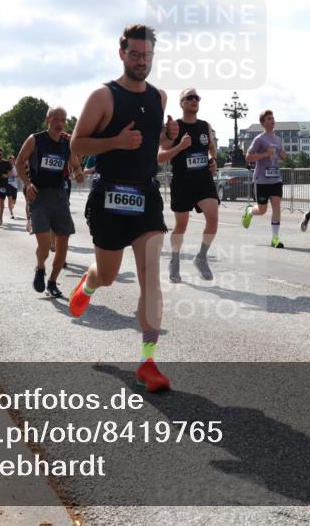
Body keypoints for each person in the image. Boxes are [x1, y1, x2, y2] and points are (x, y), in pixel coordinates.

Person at [69, 24, 178, 393]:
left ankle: (148, 361)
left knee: (151, 277)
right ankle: (89, 282)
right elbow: (77, 143)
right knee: (109, 274)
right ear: (121, 54)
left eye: (147, 55)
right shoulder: (103, 96)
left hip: (146, 196)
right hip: (110, 197)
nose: (141, 61)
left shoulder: (160, 97)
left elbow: (151, 140)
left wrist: (169, 136)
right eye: (134, 54)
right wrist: (115, 141)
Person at [17, 106, 84, 298]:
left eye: (63, 119)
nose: (59, 123)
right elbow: (20, 162)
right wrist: (28, 183)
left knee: (63, 244)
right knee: (45, 245)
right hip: (38, 197)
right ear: (48, 120)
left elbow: (76, 165)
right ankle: (40, 267)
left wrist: (79, 174)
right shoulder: (35, 139)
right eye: (56, 118)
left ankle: (52, 282)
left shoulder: (66, 143)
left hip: (60, 197)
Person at [158, 87, 219, 282]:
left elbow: (211, 150)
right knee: (181, 226)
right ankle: (174, 260)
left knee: (213, 218)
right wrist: (180, 146)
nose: (194, 100)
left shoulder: (205, 126)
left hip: (203, 180)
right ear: (181, 103)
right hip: (182, 182)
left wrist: (212, 160)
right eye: (190, 97)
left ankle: (201, 257)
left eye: (197, 97)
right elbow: (160, 156)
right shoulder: (174, 126)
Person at [242, 109, 287, 248]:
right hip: (261, 179)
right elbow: (248, 157)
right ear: (263, 123)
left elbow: (278, 158)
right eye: (268, 119)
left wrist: (283, 156)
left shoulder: (278, 139)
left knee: (277, 205)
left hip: (275, 178)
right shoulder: (259, 139)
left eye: (273, 118)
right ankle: (250, 211)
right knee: (262, 210)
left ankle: (275, 238)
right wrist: (265, 154)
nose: (272, 120)